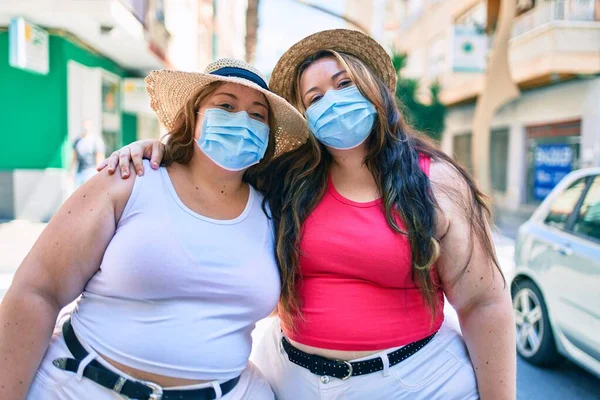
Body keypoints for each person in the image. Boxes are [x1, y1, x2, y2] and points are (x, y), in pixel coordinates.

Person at [98, 30, 517, 399]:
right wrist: (159, 149)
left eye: (344, 84)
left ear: (374, 90)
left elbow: (484, 304)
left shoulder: (435, 181)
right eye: (314, 98)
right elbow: (212, 172)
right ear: (306, 117)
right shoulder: (284, 179)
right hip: (290, 379)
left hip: (414, 383)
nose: (331, 102)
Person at [0, 58, 308, 400]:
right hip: (80, 387)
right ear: (193, 119)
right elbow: (37, 292)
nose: (242, 121)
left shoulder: (276, 213)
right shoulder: (130, 180)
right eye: (225, 105)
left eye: (257, 114)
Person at [72, 120, 106, 187]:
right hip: (79, 172)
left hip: (91, 171)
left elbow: (99, 157)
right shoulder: (78, 140)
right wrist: (71, 172)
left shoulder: (96, 140)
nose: (86, 128)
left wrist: (98, 174)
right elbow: (74, 157)